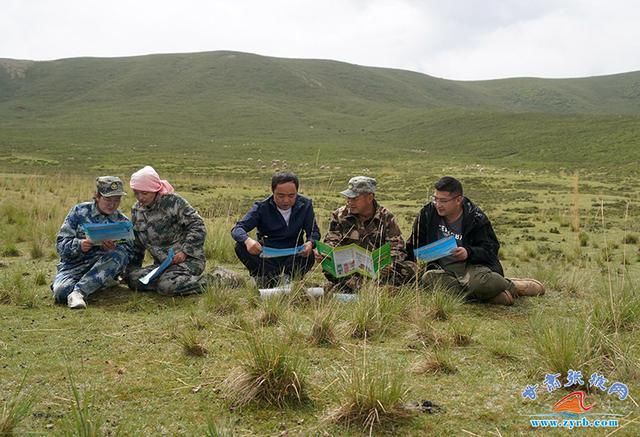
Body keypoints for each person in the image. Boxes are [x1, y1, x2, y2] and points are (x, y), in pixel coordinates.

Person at [406, 176, 545, 305]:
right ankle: (491, 297)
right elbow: (414, 242)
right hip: (443, 269)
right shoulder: (427, 214)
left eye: (443, 201)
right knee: (427, 279)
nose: (438, 204)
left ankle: (512, 286)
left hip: (473, 268)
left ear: (458, 200)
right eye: (435, 199)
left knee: (480, 284)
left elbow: (491, 249)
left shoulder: (476, 218)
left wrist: (468, 252)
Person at [125, 166, 239, 295]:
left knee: (167, 286)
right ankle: (171, 282)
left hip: (188, 260)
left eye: (145, 193)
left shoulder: (174, 203)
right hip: (162, 265)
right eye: (136, 193)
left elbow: (198, 226)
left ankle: (220, 279)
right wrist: (132, 268)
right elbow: (138, 243)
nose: (140, 197)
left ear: (155, 189)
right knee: (133, 279)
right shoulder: (136, 210)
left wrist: (185, 251)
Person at [320, 176, 417, 292]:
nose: (350, 202)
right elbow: (332, 241)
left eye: (355, 198)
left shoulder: (386, 217)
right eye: (348, 198)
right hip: (350, 269)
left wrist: (389, 262)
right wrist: (326, 252)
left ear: (370, 198)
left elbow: (397, 247)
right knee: (330, 268)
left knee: (410, 268)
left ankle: (358, 288)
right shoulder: (339, 215)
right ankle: (373, 289)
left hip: (378, 270)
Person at [52, 176, 133, 309]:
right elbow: (61, 245)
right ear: (97, 196)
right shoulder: (78, 212)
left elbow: (128, 254)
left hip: (103, 266)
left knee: (119, 254)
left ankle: (78, 293)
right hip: (73, 267)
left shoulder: (122, 222)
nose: (112, 204)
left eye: (116, 200)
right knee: (61, 293)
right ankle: (95, 285)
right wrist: (79, 245)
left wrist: (112, 249)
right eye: (107, 199)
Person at [231, 171, 320, 287]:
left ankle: (287, 278)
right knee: (240, 246)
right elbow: (237, 229)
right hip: (267, 257)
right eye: (281, 195)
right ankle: (264, 277)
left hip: (293, 256)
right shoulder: (261, 207)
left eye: (291, 196)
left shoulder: (305, 205)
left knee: (310, 254)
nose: (286, 200)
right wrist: (248, 241)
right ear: (273, 192)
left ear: (297, 192)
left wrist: (310, 243)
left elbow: (314, 232)